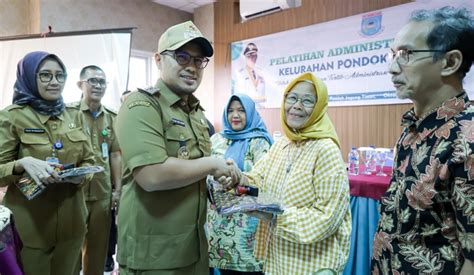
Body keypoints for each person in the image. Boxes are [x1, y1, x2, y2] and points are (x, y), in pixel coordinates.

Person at [115, 21, 237, 274]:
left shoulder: (195, 112)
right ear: (158, 59)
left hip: (193, 247)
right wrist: (212, 165)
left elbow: (192, 169)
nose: (192, 67)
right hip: (154, 255)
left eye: (199, 60)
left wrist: (221, 174)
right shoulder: (142, 106)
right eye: (182, 57)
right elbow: (152, 175)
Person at [371, 6, 474, 275]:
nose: (392, 68)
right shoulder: (413, 128)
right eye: (392, 54)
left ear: (450, 62)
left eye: (406, 54)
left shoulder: (468, 137)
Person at [223, 72, 351, 274]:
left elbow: (327, 218)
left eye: (307, 101)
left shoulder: (325, 150)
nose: (297, 105)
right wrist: (237, 178)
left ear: (319, 107)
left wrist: (274, 216)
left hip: (312, 265)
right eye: (292, 98)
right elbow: (258, 181)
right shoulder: (283, 143)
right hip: (278, 261)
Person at [0, 51, 95, 275]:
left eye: (59, 75)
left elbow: (90, 160)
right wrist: (21, 164)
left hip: (72, 224)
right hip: (31, 228)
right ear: (29, 77)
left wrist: (82, 175)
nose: (54, 82)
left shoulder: (75, 115)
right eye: (45, 75)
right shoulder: (12, 117)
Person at [207, 93, 273, 274]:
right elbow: (204, 172)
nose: (235, 115)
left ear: (250, 113)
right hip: (217, 227)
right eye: (230, 111)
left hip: (247, 229)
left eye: (241, 110)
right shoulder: (216, 140)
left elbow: (264, 186)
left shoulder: (260, 143)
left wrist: (236, 181)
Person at [70, 65, 122, 274]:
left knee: (98, 250)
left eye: (102, 82)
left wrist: (117, 190)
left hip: (102, 193)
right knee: (71, 248)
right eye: (93, 81)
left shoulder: (112, 116)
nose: (98, 85)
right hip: (73, 193)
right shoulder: (68, 114)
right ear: (80, 84)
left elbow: (116, 154)